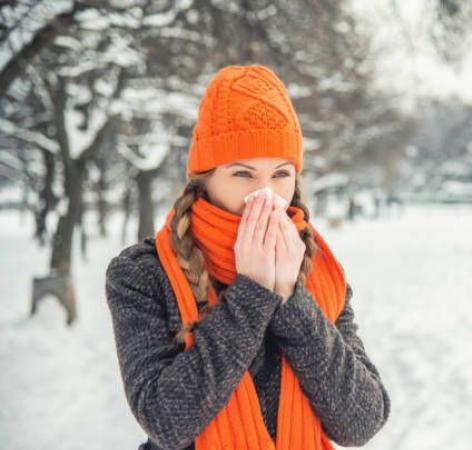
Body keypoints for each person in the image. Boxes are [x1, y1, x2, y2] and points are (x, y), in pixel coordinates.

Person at [104, 64, 391, 450]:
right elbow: (165, 420)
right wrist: (253, 294)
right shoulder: (142, 273)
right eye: (243, 174)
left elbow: (361, 422)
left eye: (281, 174)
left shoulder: (320, 272)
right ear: (204, 178)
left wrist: (291, 298)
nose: (266, 194)